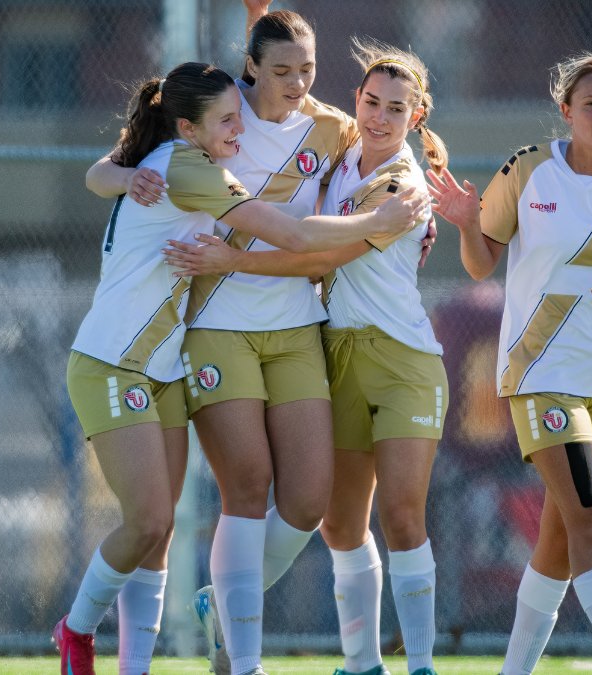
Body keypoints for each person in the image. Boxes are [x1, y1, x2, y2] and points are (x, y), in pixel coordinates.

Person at [56, 62, 422, 675]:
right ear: (187, 127)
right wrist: (379, 223)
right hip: (113, 362)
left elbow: (102, 173)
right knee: (147, 521)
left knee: (160, 531)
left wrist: (116, 174)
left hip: (162, 366)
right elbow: (293, 234)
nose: (240, 127)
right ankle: (75, 630)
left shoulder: (178, 158)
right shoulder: (190, 168)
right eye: (228, 119)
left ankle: (133, 667)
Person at [166, 39, 447, 675]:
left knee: (402, 515)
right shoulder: (341, 148)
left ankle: (422, 665)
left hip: (402, 359)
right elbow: (272, 89)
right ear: (356, 101)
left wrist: (232, 260)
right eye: (371, 102)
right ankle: (360, 664)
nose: (379, 117)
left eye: (396, 108)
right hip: (336, 347)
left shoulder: (401, 186)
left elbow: (320, 257)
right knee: (339, 524)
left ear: (417, 116)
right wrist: (255, 19)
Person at [427, 53, 592, 675]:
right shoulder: (528, 169)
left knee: (561, 538)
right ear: (566, 110)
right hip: (539, 374)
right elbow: (481, 264)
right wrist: (465, 223)